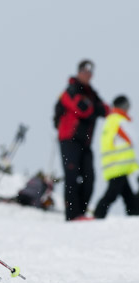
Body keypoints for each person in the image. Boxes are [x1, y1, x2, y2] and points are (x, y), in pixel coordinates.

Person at [54, 60, 109, 221]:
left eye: (90, 72)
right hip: (69, 139)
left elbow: (105, 109)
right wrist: (94, 108)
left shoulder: (91, 92)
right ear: (79, 72)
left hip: (85, 142)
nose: (87, 75)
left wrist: (94, 107)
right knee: (71, 176)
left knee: (89, 178)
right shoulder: (71, 89)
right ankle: (72, 215)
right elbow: (83, 109)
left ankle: (81, 213)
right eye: (85, 71)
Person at [93, 95, 139, 218]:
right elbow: (132, 141)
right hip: (119, 166)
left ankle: (134, 214)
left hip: (114, 165)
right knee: (112, 194)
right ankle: (98, 215)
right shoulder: (119, 121)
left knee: (127, 196)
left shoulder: (110, 120)